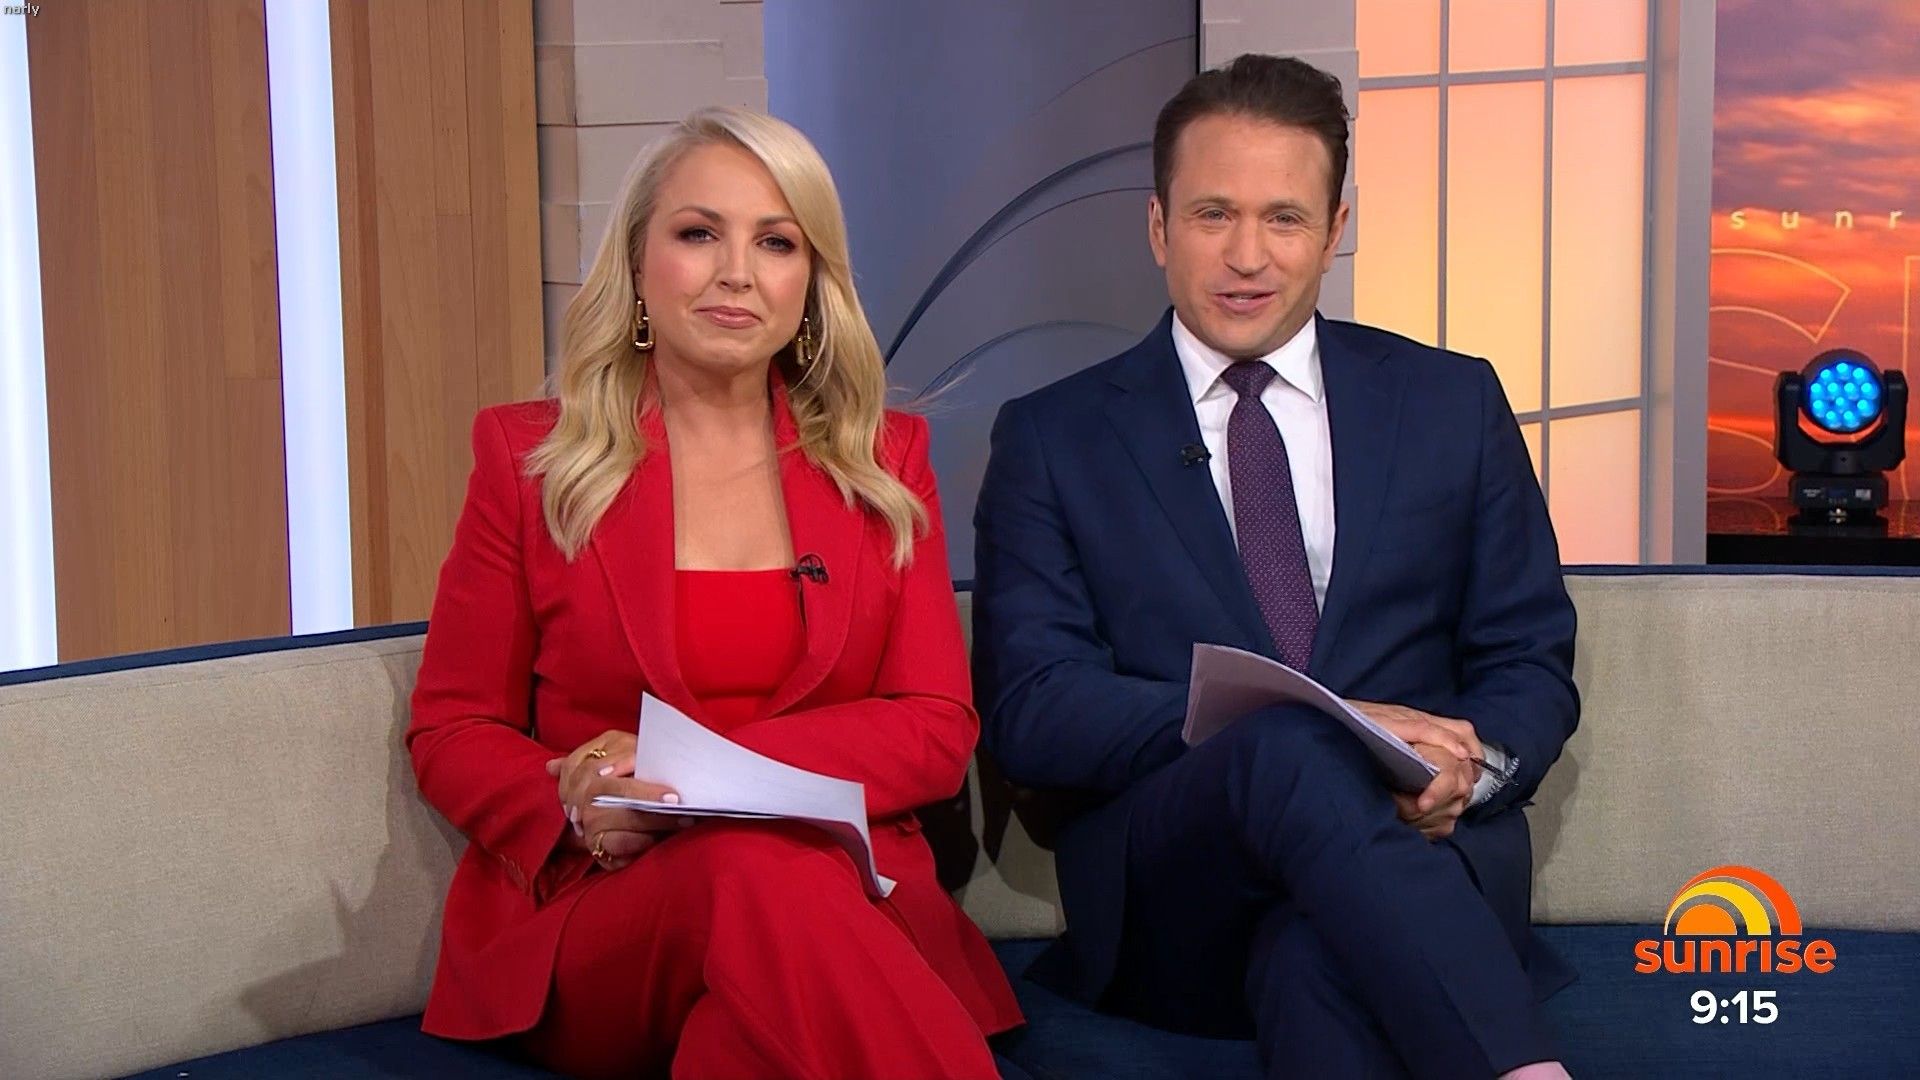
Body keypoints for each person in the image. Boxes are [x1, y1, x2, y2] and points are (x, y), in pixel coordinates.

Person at [971, 55, 1578, 1079]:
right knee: (1292, 743)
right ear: (1159, 226)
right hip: (1183, 887)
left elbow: (1528, 658)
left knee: (1313, 958)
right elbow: (1034, 707)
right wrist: (1299, 725)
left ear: (1334, 231)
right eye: (1213, 214)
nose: (1246, 256)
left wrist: (1468, 773)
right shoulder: (1053, 438)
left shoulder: (1451, 402)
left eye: (1284, 219)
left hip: (1416, 858)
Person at [407, 105, 1021, 1080]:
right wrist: (575, 799)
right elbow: (452, 728)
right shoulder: (531, 461)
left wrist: (704, 778)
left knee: (741, 1035)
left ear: (809, 283)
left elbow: (935, 727)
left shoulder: (882, 464)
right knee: (749, 871)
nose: (738, 271)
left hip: (838, 901)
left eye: (776, 243)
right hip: (608, 908)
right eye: (699, 234)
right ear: (638, 263)